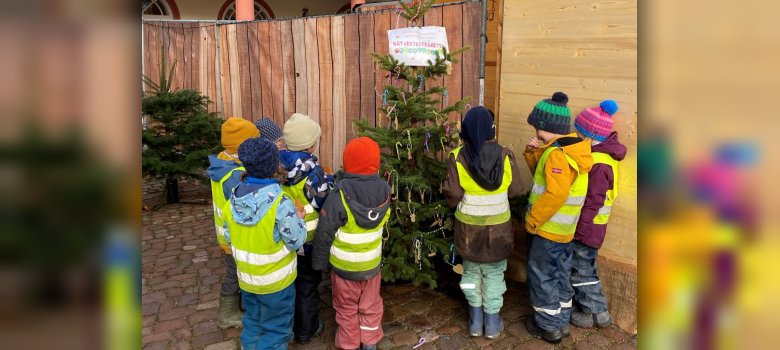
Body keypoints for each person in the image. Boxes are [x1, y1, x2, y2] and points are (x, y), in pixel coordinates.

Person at [442, 106, 525, 339]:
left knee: (470, 274)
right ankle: (492, 321)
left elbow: (454, 195)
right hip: (499, 231)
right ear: (492, 129)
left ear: (465, 131)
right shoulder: (505, 154)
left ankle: (475, 320)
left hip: (468, 232)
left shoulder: (457, 156)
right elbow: (516, 189)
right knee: (495, 275)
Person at [222, 137, 308, 350]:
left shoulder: (231, 201)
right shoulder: (280, 204)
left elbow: (228, 236)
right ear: (273, 166)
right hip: (276, 283)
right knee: (277, 329)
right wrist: (299, 219)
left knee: (252, 321)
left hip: (247, 280)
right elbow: (296, 239)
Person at [522, 92, 593, 344]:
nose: (535, 130)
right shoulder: (572, 149)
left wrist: (533, 220)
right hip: (565, 231)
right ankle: (561, 321)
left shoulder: (556, 155)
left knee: (542, 276)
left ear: (543, 126)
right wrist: (534, 153)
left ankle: (548, 325)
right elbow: (545, 179)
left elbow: (556, 192)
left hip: (547, 230)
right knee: (561, 274)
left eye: (536, 126)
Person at [312, 137, 391, 350]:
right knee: (371, 306)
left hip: (344, 268)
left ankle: (349, 345)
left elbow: (325, 231)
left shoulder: (339, 193)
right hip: (371, 266)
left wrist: (318, 264)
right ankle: (370, 344)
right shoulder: (385, 190)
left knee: (346, 309)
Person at [569, 100, 626, 328]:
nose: (575, 136)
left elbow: (593, 200)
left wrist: (579, 229)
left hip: (588, 227)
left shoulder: (599, 163)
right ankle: (591, 308)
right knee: (583, 267)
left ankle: (596, 312)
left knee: (582, 270)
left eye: (578, 133)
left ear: (588, 137)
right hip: (593, 225)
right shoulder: (602, 156)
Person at [279, 113, 334, 344]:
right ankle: (306, 328)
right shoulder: (312, 172)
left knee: (290, 282)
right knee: (308, 286)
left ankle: (289, 324)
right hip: (308, 241)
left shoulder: (277, 165)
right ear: (310, 144)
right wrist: (330, 181)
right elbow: (322, 199)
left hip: (285, 237)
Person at [207, 116, 260, 329]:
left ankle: (238, 305)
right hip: (233, 237)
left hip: (226, 234)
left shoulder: (222, 162)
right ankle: (226, 314)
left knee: (235, 270)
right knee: (234, 274)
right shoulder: (234, 175)